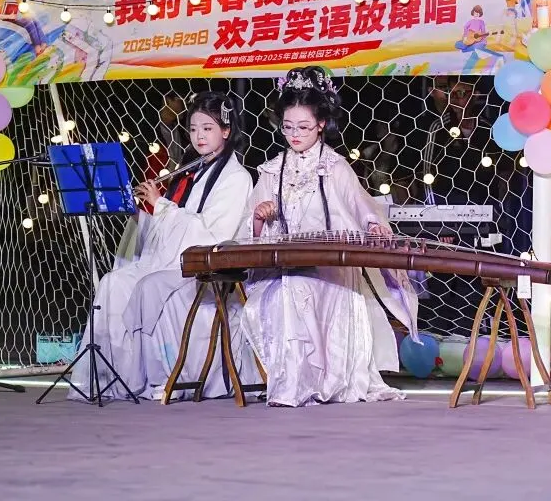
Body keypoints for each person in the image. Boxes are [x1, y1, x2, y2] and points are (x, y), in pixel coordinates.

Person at [239, 66, 419, 407]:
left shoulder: (335, 166)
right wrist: (259, 218)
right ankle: (292, 383)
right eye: (288, 127)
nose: (294, 135)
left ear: (321, 124)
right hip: (283, 267)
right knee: (286, 290)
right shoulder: (272, 170)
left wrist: (373, 225)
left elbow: (361, 205)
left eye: (304, 127)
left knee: (301, 288)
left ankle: (311, 382)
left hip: (331, 268)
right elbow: (249, 229)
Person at [68, 91, 254, 402]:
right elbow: (167, 231)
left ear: (226, 130)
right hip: (171, 261)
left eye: (207, 128)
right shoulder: (191, 171)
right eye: (193, 129)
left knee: (149, 286)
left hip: (204, 270)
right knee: (114, 282)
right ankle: (115, 376)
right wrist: (141, 213)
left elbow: (211, 236)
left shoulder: (236, 178)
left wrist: (162, 206)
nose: (199, 136)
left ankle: (164, 377)